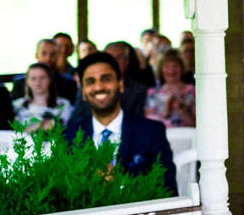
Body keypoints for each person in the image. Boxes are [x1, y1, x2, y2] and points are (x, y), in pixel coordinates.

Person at [64, 51, 176, 195]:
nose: (98, 87)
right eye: (90, 81)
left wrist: (121, 183)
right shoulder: (68, 137)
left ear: (120, 85)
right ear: (84, 92)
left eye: (106, 79)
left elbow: (168, 191)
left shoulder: (151, 132)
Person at [13, 62, 73, 133]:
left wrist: (31, 128)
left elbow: (62, 126)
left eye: (42, 78)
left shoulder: (64, 104)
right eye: (33, 78)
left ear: (50, 79)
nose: (38, 82)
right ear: (27, 81)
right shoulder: (16, 105)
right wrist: (43, 125)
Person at [11, 38, 76, 101]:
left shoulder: (69, 84)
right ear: (36, 55)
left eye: (53, 54)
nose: (48, 58)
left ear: (57, 56)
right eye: (43, 53)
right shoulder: (21, 83)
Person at [144, 51, 196, 128]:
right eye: (167, 66)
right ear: (161, 70)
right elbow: (148, 124)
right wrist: (165, 112)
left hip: (187, 137)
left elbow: (199, 124)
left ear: (182, 68)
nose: (171, 70)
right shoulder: (152, 93)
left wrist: (183, 111)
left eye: (175, 66)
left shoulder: (192, 91)